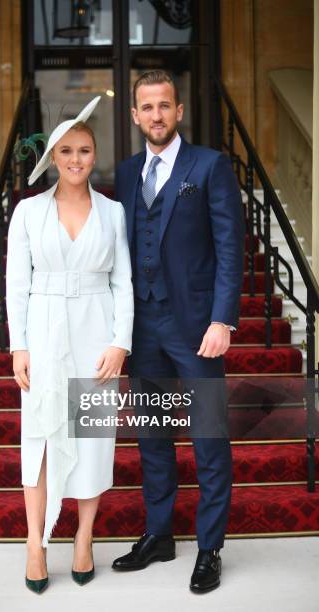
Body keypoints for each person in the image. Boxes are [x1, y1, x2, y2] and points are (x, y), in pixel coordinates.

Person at [111, 70, 245, 593]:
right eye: (147, 107)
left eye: (165, 105)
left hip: (195, 326)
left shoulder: (209, 165)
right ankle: (159, 534)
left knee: (210, 437)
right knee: (152, 438)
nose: (157, 115)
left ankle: (209, 548)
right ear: (135, 115)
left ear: (179, 111)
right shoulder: (124, 174)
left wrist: (222, 319)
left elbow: (230, 247)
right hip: (142, 326)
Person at [6, 96, 134, 593]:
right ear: (52, 158)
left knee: (93, 440)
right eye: (66, 151)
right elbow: (17, 285)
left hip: (96, 332)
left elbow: (122, 283)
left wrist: (120, 342)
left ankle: (83, 536)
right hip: (43, 331)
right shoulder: (27, 212)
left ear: (93, 154)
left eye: (84, 150)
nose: (76, 159)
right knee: (38, 438)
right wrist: (20, 346)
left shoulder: (115, 212)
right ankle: (35, 541)